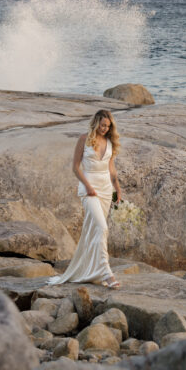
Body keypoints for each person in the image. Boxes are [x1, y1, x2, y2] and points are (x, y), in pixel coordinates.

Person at [48, 109, 123, 289]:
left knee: (96, 230)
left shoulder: (110, 142)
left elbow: (111, 169)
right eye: (102, 125)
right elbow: (75, 167)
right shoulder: (84, 139)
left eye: (108, 126)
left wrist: (117, 189)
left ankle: (90, 269)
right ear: (96, 123)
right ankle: (107, 274)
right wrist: (88, 186)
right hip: (88, 189)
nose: (105, 128)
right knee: (102, 227)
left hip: (105, 190)